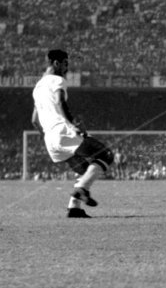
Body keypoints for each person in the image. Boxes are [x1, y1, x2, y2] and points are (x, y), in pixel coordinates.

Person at [31, 49, 114, 218]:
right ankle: (82, 189)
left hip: (50, 139)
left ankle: (74, 208)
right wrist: (74, 124)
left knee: (85, 170)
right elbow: (61, 102)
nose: (67, 68)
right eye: (66, 64)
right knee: (106, 155)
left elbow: (34, 120)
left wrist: (48, 137)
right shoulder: (57, 80)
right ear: (56, 63)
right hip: (63, 131)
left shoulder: (38, 87)